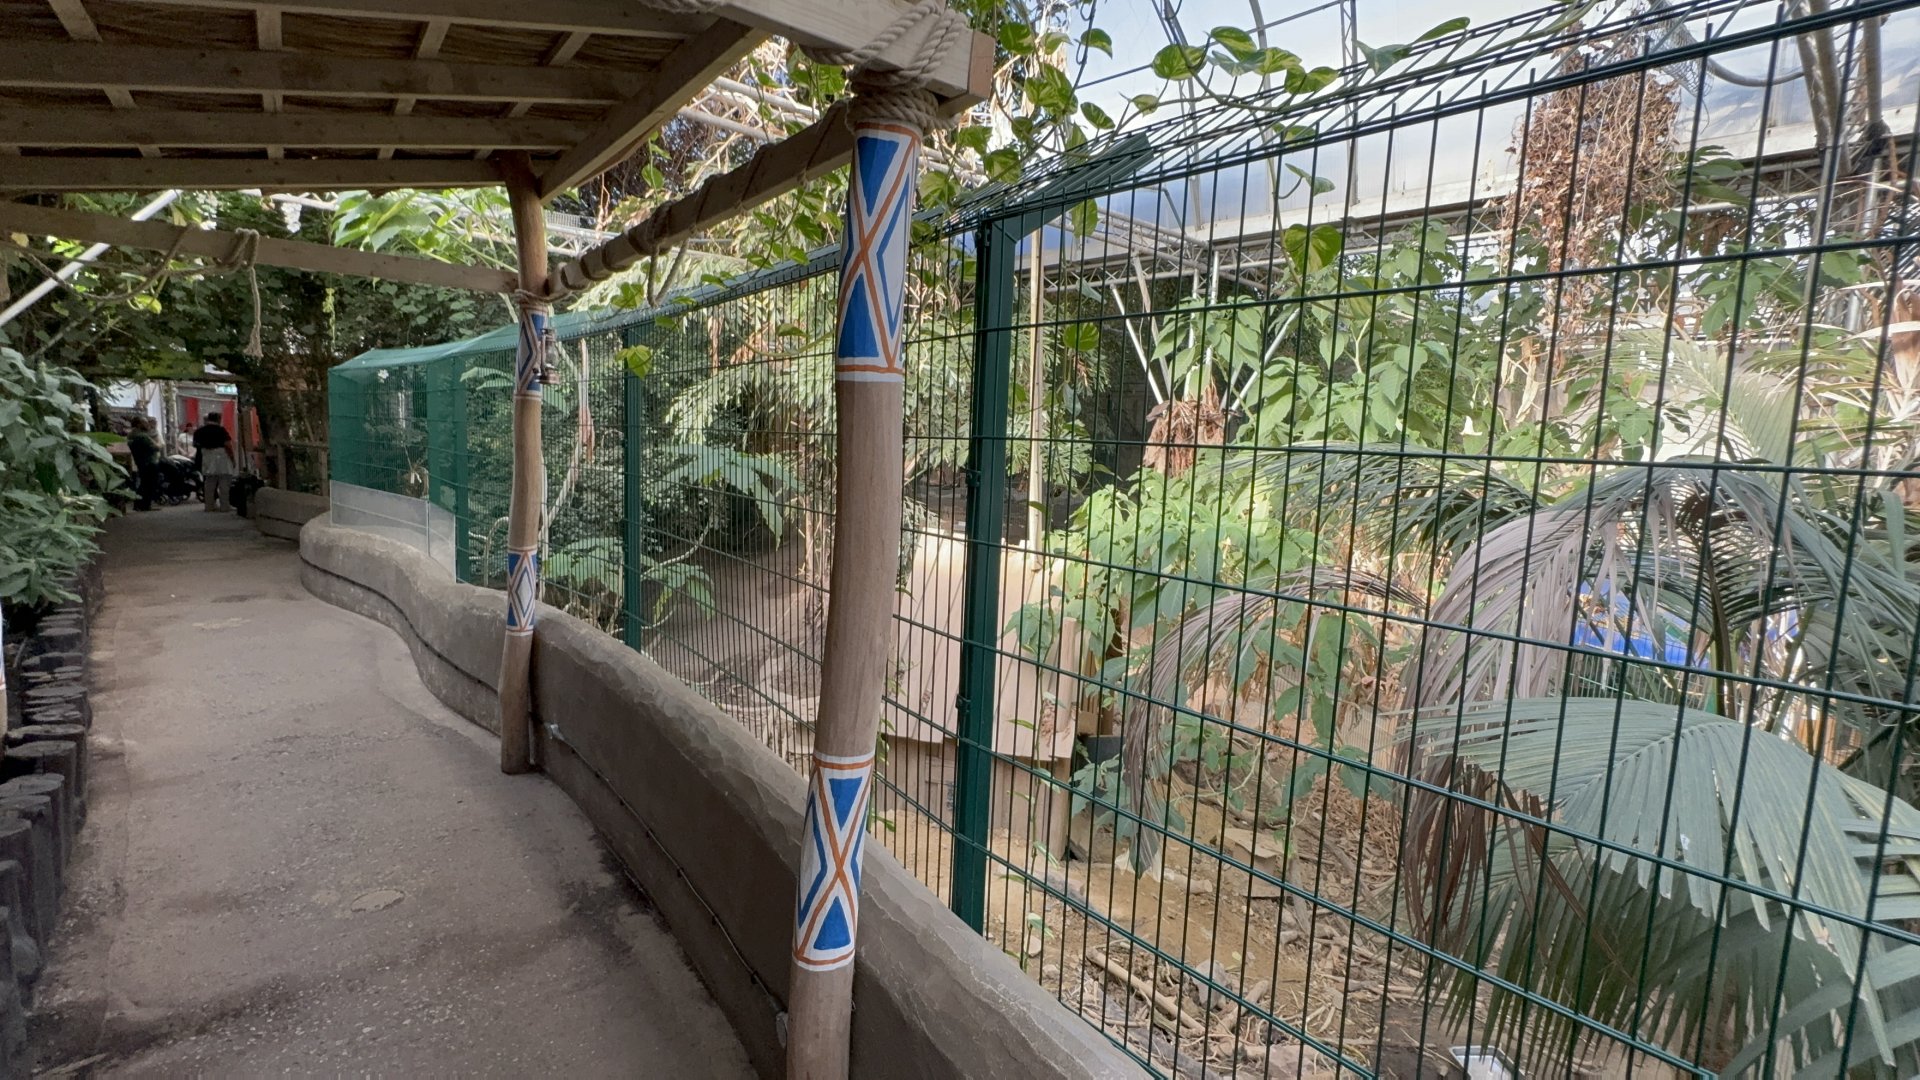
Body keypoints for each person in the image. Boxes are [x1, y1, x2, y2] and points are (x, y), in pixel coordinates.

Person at [193, 414, 236, 511]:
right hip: (221, 457)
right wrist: (232, 459)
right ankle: (224, 506)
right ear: (218, 419)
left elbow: (196, 444)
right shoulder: (221, 430)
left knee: (209, 483)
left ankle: (209, 506)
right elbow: (228, 445)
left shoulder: (199, 431)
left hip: (207, 456)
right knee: (224, 483)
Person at [126, 417, 162, 512]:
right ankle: (145, 504)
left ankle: (139, 504)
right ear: (139, 424)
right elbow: (156, 447)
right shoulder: (142, 436)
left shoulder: (131, 435)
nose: (148, 425)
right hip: (149, 462)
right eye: (145, 423)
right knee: (149, 484)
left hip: (141, 462)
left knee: (144, 483)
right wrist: (157, 443)